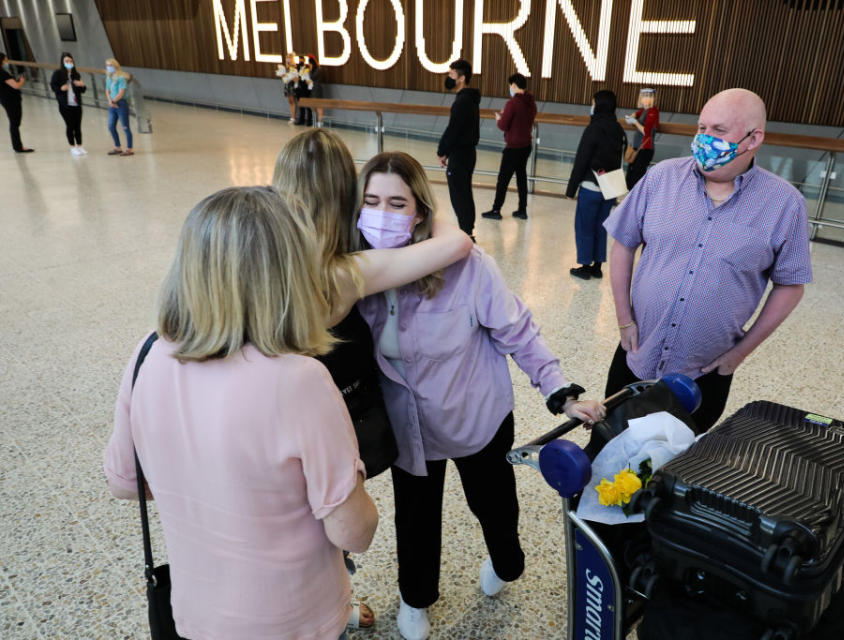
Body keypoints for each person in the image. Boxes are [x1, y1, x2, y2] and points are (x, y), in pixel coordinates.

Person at [348, 152, 606, 640]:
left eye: (397, 202)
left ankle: (506, 560)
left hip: (476, 417)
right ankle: (415, 598)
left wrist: (561, 392)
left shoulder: (468, 268)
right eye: (372, 201)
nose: (382, 213)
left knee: (494, 506)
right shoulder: (358, 276)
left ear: (420, 211)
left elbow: (518, 331)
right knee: (416, 520)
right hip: (409, 430)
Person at [103, 186, 378, 640]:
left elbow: (123, 481)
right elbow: (354, 533)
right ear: (288, 276)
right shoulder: (299, 380)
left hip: (196, 612)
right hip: (294, 619)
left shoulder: (147, 353)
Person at [272, 129, 473, 630]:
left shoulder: (262, 259)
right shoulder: (344, 272)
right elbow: (456, 245)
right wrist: (428, 201)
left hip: (262, 420)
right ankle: (332, 609)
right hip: (321, 421)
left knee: (289, 518)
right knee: (327, 517)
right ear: (347, 195)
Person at [603, 88, 812, 432]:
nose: (704, 138)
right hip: (637, 354)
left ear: (753, 138)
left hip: (706, 372)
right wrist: (624, 319)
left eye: (718, 130)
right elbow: (623, 243)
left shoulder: (784, 204)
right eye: (701, 128)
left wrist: (740, 353)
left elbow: (790, 286)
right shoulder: (661, 179)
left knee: (677, 472)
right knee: (609, 448)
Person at [566, 90, 627, 280]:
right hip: (609, 188)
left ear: (598, 105)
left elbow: (582, 159)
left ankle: (585, 265)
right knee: (601, 227)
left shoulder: (593, 129)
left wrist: (571, 189)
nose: (591, 106)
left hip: (591, 186)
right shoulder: (618, 129)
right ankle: (597, 266)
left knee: (585, 226)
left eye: (593, 103)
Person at [481, 73, 537, 221]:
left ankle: (496, 209)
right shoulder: (531, 103)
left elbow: (503, 125)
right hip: (526, 145)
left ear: (513, 85)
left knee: (503, 180)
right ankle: (522, 209)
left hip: (513, 147)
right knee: (521, 178)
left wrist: (499, 118)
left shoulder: (512, 103)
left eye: (510, 85)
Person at [437, 59, 480, 239]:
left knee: (459, 194)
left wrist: (442, 150)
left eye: (452, 74)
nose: (449, 77)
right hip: (468, 153)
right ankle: (467, 230)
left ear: (461, 78)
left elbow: (454, 129)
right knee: (464, 192)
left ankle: (466, 233)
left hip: (460, 154)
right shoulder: (470, 99)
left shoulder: (463, 101)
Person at [50, 52, 87, 156]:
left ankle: (80, 145)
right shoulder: (58, 73)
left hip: (76, 105)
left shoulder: (76, 74)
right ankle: (72, 146)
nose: (69, 63)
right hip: (65, 105)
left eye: (70, 61)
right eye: (66, 61)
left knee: (78, 126)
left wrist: (82, 85)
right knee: (70, 126)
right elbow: (53, 87)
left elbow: (83, 90)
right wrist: (61, 89)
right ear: (62, 62)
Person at [624, 88, 659, 190]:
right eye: (644, 96)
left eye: (648, 96)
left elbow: (646, 132)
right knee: (630, 176)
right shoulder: (643, 111)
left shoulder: (653, 111)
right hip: (637, 147)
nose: (645, 98)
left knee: (636, 178)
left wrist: (635, 122)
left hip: (645, 148)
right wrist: (633, 117)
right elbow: (628, 119)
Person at [0, 52, 32, 153]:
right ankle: (18, 146)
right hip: (11, 101)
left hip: (6, 99)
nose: (6, 62)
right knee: (14, 123)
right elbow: (16, 86)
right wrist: (22, 80)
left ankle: (17, 145)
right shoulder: (2, 73)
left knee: (14, 123)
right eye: (5, 60)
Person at [105, 58, 133, 156]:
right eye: (107, 65)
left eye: (110, 65)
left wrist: (114, 101)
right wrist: (110, 101)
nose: (108, 67)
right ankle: (117, 147)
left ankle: (130, 149)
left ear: (115, 66)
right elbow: (107, 91)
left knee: (125, 127)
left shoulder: (121, 78)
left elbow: (121, 93)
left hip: (121, 104)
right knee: (111, 126)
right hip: (112, 105)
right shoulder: (109, 78)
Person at [276, 52, 299, 124]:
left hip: (292, 85)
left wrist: (290, 76)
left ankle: (293, 117)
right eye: (287, 58)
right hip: (287, 84)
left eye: (289, 58)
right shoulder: (286, 67)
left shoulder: (294, 66)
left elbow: (296, 77)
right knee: (290, 101)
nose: (288, 59)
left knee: (292, 100)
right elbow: (283, 75)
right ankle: (292, 117)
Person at [295, 56, 315, 126]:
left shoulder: (307, 68)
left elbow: (306, 78)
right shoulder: (297, 68)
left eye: (302, 60)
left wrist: (300, 79)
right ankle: (301, 119)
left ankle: (309, 120)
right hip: (298, 88)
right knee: (301, 105)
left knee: (307, 105)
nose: (300, 61)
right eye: (299, 60)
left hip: (305, 88)